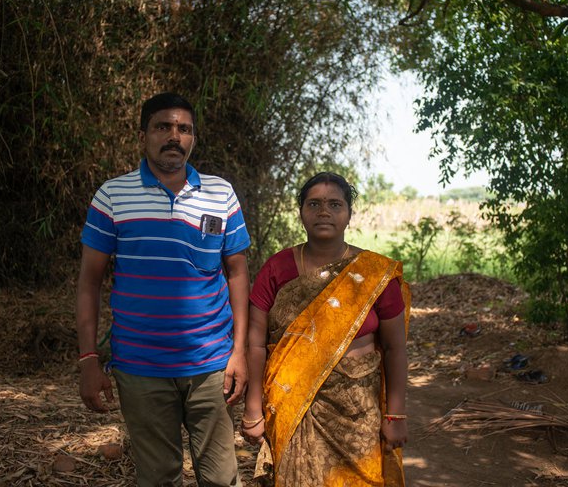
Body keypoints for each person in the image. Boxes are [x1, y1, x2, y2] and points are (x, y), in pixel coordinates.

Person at [76, 92, 251, 487]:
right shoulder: (113, 196)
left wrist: (239, 352)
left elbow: (238, 274)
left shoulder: (220, 194)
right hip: (140, 367)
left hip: (211, 365)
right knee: (158, 479)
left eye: (183, 129)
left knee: (223, 479)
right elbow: (89, 282)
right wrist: (88, 359)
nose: (174, 136)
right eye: (163, 127)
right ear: (143, 136)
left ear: (193, 138)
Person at [242, 172, 411, 487]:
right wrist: (254, 407)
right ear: (301, 212)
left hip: (358, 413)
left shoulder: (374, 274)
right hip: (292, 404)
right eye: (314, 204)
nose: (324, 212)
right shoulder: (277, 269)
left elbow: (395, 348)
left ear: (348, 215)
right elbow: (255, 344)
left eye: (335, 204)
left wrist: (396, 415)